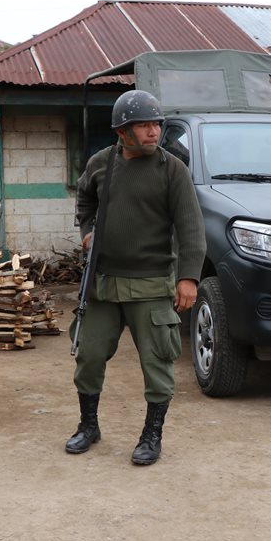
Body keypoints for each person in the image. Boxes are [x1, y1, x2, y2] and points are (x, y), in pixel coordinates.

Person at [66, 89, 205, 465]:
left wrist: (188, 277)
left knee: (158, 362)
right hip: (103, 284)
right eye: (143, 125)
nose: (153, 132)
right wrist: (87, 231)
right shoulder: (100, 163)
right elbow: (84, 200)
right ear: (121, 132)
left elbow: (191, 227)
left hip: (151, 284)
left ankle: (151, 436)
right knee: (90, 355)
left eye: (156, 125)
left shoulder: (172, 169)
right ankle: (88, 426)